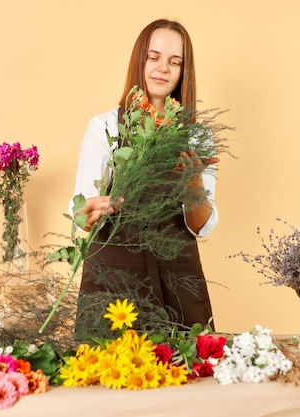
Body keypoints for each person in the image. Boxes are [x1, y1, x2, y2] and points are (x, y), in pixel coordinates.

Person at [71, 19, 219, 336]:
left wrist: (193, 186)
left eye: (174, 61)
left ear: (183, 70)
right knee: (106, 374)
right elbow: (80, 213)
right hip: (113, 277)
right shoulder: (105, 127)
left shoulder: (198, 136)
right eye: (153, 57)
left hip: (177, 275)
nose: (162, 68)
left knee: (186, 372)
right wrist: (90, 211)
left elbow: (200, 226)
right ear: (140, 60)